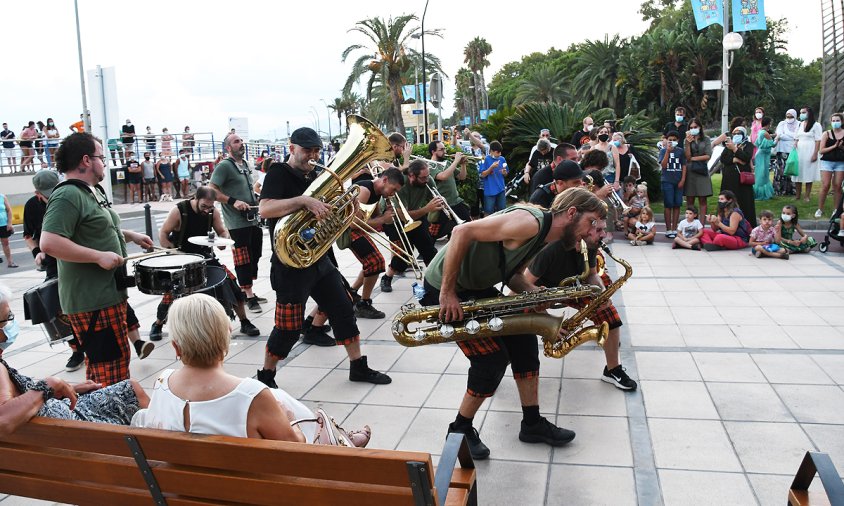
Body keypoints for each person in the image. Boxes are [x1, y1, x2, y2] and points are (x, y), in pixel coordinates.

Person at [423, 187, 607, 459]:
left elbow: (511, 276)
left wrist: (536, 294)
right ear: (571, 213)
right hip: (447, 288)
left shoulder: (543, 236)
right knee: (491, 360)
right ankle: (460, 430)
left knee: (523, 340)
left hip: (478, 288)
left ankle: (532, 423)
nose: (592, 232)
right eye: (591, 223)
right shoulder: (530, 222)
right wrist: (447, 293)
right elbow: (461, 232)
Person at [130, 294, 370, 447]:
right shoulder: (252, 395)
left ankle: (341, 437)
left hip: (183, 491)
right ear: (225, 340)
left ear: (175, 346)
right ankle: (338, 439)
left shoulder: (162, 382)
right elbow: (296, 447)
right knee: (283, 403)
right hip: (252, 493)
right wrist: (290, 421)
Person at [257, 127, 391, 389]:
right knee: (287, 327)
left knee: (343, 309)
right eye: (307, 150)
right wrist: (304, 201)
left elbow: (334, 218)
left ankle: (358, 366)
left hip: (319, 259)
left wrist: (349, 209)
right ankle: (266, 375)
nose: (312, 155)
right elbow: (265, 208)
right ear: (292, 147)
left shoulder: (319, 176)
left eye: (316, 150)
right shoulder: (278, 173)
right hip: (290, 264)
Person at [40, 132, 154, 385]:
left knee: (110, 367)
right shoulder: (68, 195)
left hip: (107, 295)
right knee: (110, 374)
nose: (105, 162)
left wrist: (130, 236)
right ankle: (109, 422)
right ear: (86, 160)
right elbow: (49, 242)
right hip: (92, 300)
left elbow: (96, 230)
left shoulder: (91, 192)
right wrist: (97, 257)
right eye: (102, 157)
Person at [523, 208, 637, 393]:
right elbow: (518, 289)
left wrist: (600, 292)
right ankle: (498, 368)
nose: (604, 235)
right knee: (515, 331)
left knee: (611, 318)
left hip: (572, 286)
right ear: (585, 229)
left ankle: (612, 369)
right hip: (540, 293)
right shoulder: (551, 248)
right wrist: (547, 323)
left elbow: (592, 275)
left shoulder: (591, 244)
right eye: (599, 230)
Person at [148, 187, 261, 341]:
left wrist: (222, 240)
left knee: (231, 285)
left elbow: (222, 231)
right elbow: (163, 233)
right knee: (171, 293)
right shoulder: (179, 211)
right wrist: (171, 252)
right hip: (182, 257)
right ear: (196, 198)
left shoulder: (212, 213)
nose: (207, 210)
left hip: (205, 257)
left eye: (210, 207)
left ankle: (244, 322)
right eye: (204, 206)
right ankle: (158, 324)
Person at [22, 170, 87, 370]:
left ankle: (92, 342)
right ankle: (76, 350)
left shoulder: (68, 197)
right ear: (37, 193)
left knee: (86, 303)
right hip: (53, 264)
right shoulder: (32, 206)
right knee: (58, 309)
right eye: (47, 193)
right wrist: (37, 253)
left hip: (78, 259)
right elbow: (28, 235)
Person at [210, 133, 265, 312]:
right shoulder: (224, 166)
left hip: (252, 218)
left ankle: (248, 290)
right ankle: (248, 295)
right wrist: (233, 201)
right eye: (236, 141)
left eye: (241, 141)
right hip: (236, 222)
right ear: (228, 148)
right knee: (243, 259)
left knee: (255, 255)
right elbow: (212, 190)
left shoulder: (246, 165)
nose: (241, 143)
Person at [342, 167, 405, 320]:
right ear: (384, 180)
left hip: (357, 229)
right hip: (347, 231)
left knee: (373, 262)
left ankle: (351, 294)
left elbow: (372, 216)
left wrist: (384, 214)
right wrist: (383, 219)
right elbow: (353, 223)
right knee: (376, 262)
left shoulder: (377, 192)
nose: (393, 193)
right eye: (393, 189)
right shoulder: (365, 190)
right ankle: (363, 304)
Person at [379, 159, 441, 293]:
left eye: (427, 176)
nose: (426, 180)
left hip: (417, 216)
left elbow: (434, 197)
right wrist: (426, 209)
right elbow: (402, 215)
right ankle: (387, 277)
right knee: (403, 254)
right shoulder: (401, 185)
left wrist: (440, 202)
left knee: (429, 249)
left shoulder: (427, 180)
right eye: (423, 177)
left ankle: (435, 281)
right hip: (394, 219)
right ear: (412, 175)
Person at [427, 141, 470, 240]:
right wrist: (456, 161)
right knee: (432, 236)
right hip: (442, 205)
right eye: (441, 149)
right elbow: (443, 176)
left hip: (456, 202)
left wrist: (463, 164)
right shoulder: (430, 165)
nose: (444, 151)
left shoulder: (447, 163)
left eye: (444, 149)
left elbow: (462, 177)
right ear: (433, 151)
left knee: (469, 227)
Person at [718, 125, 757, 228]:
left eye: (739, 133)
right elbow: (723, 159)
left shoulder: (748, 145)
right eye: (734, 133)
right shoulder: (728, 145)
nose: (736, 135)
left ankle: (746, 227)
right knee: (728, 202)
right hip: (729, 180)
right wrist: (734, 160)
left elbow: (746, 157)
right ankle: (726, 225)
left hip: (742, 182)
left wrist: (735, 149)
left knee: (744, 203)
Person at [815, 113, 844, 218]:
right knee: (825, 185)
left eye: (837, 120)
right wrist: (834, 146)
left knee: (837, 186)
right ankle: (820, 208)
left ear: (842, 121)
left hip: (840, 163)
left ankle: (836, 209)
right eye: (833, 121)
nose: (835, 123)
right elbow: (821, 150)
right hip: (827, 162)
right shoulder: (826, 134)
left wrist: (840, 147)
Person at [683, 118, 713, 218]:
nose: (693, 129)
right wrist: (687, 143)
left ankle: (702, 225)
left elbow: (708, 155)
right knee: (690, 199)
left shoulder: (706, 139)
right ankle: (691, 223)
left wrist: (693, 158)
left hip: (702, 170)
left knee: (702, 199)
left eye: (695, 127)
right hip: (690, 171)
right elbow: (687, 157)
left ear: (699, 127)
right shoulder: (687, 140)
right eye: (691, 128)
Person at [659, 131, 686, 238]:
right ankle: (668, 229)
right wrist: (667, 152)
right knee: (668, 204)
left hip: (678, 181)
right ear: (666, 140)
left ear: (678, 141)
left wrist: (683, 179)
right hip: (667, 181)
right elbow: (663, 165)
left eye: (674, 140)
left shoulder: (680, 151)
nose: (672, 142)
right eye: (670, 139)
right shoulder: (663, 151)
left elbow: (684, 166)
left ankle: (675, 228)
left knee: (677, 204)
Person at [794, 106, 823, 203]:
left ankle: (807, 195)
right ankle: (797, 195)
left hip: (810, 149)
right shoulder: (800, 124)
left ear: (809, 113)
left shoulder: (816, 125)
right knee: (798, 172)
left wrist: (815, 153)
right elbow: (797, 136)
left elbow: (818, 140)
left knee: (808, 173)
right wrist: (795, 142)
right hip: (799, 150)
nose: (801, 114)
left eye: (803, 112)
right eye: (800, 112)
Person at [478, 141, 508, 215]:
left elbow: (506, 173)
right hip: (490, 190)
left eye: (500, 152)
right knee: (488, 212)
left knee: (502, 211)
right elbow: (482, 175)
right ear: (491, 151)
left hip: (501, 189)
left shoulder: (502, 159)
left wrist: (504, 173)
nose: (500, 154)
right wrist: (491, 167)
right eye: (498, 152)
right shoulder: (484, 159)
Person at [775, 109, 800, 194]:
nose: (789, 118)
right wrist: (792, 137)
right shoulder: (782, 124)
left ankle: (792, 190)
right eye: (787, 116)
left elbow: (798, 136)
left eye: (791, 117)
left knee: (791, 171)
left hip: (793, 151)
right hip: (781, 150)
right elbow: (779, 135)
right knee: (781, 171)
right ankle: (780, 190)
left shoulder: (799, 124)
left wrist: (786, 135)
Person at [753, 117, 777, 201]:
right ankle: (761, 193)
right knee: (762, 174)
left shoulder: (761, 131)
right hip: (763, 155)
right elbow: (773, 144)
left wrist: (772, 135)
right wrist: (777, 138)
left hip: (761, 154)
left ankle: (759, 192)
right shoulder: (765, 133)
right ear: (768, 123)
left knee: (761, 173)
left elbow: (758, 143)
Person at [0, 192, 17, 268]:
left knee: (5, 243)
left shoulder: (2, 197)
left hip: (3, 224)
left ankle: (10, 262)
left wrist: (9, 223)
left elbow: (9, 210)